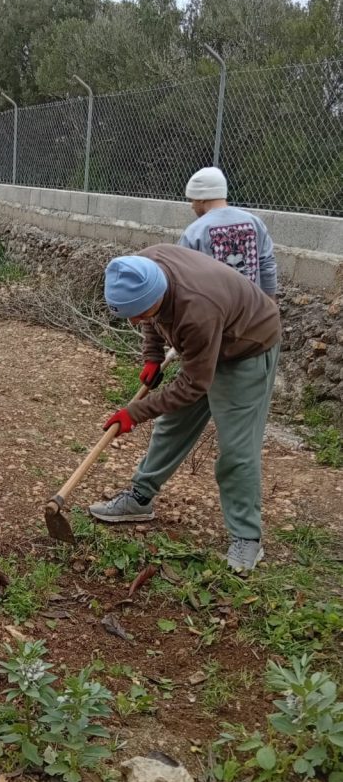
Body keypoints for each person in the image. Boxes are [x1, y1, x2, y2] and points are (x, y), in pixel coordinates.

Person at [88, 244, 281, 573]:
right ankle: (140, 498)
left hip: (246, 346)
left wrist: (134, 413)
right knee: (171, 425)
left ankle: (247, 538)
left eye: (138, 313)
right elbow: (150, 316)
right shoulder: (139, 268)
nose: (135, 321)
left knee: (237, 449)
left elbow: (194, 384)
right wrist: (152, 355)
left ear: (155, 293)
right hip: (207, 340)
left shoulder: (196, 309)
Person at [179, 166, 278, 298]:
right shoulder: (255, 223)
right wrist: (269, 302)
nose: (192, 206)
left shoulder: (195, 232)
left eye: (192, 200)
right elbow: (267, 264)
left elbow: (181, 274)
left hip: (214, 312)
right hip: (251, 308)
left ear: (201, 198)